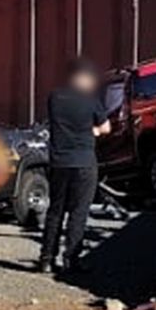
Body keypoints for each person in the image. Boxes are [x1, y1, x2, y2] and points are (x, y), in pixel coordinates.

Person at [40, 58, 111, 275]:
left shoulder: (55, 97)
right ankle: (71, 258)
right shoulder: (91, 100)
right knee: (79, 212)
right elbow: (106, 127)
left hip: (59, 161)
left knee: (55, 211)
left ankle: (46, 259)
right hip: (84, 162)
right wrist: (94, 132)